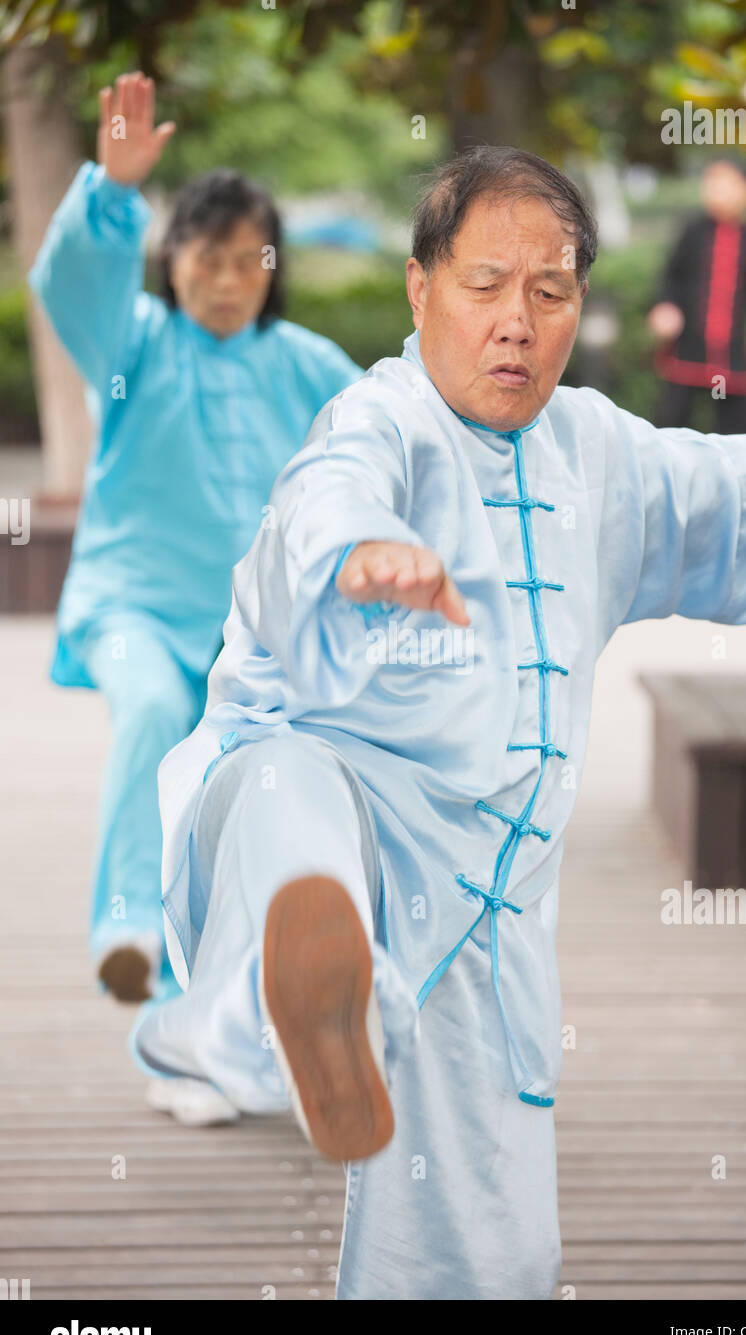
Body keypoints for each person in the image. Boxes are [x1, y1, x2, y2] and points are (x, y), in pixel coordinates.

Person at [131, 145, 746, 1298]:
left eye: (549, 292)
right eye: (485, 285)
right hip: (307, 810)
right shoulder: (382, 418)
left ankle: (340, 1014)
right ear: (421, 290)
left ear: (576, 307)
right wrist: (364, 549)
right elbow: (327, 493)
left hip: (483, 917)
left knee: (483, 1264)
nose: (518, 321)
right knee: (292, 794)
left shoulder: (602, 453)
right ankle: (299, 987)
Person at [28, 72, 363, 1037]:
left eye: (245, 264)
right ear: (171, 262)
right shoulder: (131, 344)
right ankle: (128, 931)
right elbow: (74, 284)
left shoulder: (302, 362)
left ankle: (230, 996)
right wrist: (111, 190)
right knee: (152, 713)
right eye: (205, 260)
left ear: (272, 270)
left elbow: (394, 436)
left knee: (258, 786)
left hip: (256, 637)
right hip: (132, 611)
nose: (225, 282)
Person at [648, 157, 746, 433]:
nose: (716, 191)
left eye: (727, 184)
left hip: (734, 353)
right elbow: (671, 276)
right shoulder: (692, 232)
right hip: (688, 346)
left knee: (740, 428)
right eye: (711, 183)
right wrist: (665, 306)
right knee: (670, 421)